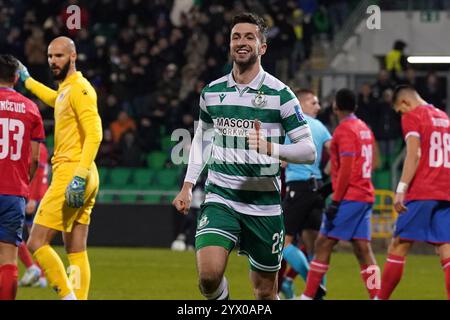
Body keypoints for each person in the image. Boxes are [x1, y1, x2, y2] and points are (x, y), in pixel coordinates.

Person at [172, 12, 316, 300]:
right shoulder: (212, 92)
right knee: (209, 277)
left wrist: (270, 148)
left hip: (263, 205)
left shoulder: (281, 95)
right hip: (221, 197)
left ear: (262, 47)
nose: (241, 42)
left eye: (249, 37)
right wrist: (188, 185)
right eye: (236, 36)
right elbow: (201, 139)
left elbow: (308, 151)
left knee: (265, 292)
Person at [17, 36, 102, 300]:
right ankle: (78, 296)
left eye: (59, 56)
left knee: (35, 242)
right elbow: (56, 99)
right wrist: (28, 81)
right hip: (86, 174)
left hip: (73, 172)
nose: (53, 61)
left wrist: (77, 176)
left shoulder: (81, 89)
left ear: (73, 57)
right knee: (75, 248)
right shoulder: (68, 89)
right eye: (50, 56)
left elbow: (95, 134)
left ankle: (68, 298)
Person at [300, 88, 380, 300]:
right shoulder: (364, 128)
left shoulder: (344, 130)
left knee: (323, 243)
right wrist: (330, 185)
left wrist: (335, 199)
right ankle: (377, 296)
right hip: (364, 195)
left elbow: (346, 167)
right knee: (363, 249)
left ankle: (308, 296)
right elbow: (368, 163)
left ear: (336, 106)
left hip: (350, 197)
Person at [377, 85, 450, 300]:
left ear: (404, 103)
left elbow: (414, 153)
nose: (401, 114)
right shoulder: (444, 117)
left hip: (423, 190)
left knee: (399, 244)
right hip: (446, 191)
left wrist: (401, 189)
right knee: (446, 250)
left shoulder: (413, 115)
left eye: (400, 110)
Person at [0, 54, 45, 300]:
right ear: (16, 78)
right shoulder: (30, 108)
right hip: (14, 192)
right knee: (9, 259)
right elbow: (35, 160)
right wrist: (22, 184)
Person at [280, 89, 331, 299]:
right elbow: (335, 154)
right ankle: (317, 292)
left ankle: (314, 282)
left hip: (298, 188)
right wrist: (325, 176)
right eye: (313, 102)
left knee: (283, 243)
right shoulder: (321, 127)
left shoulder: (294, 126)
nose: (318, 107)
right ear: (301, 104)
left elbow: (283, 161)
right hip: (317, 188)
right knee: (314, 247)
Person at [18, 142, 49, 288]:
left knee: (12, 233)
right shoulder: (41, 148)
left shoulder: (35, 147)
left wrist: (32, 198)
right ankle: (40, 276)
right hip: (37, 196)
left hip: (35, 197)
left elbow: (37, 172)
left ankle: (34, 270)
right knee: (36, 240)